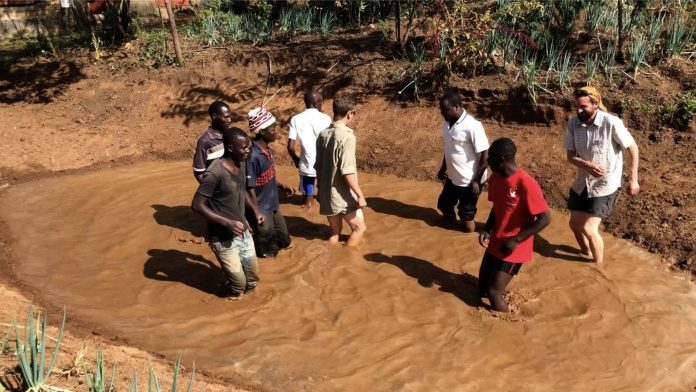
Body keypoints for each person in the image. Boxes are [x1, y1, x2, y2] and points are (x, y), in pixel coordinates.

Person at [563, 86, 640, 264]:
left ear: (596, 104)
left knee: (589, 229)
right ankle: (586, 253)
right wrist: (587, 165)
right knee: (574, 224)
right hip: (582, 181)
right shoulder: (573, 123)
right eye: (577, 106)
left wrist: (633, 179)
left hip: (605, 183)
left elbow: (633, 148)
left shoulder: (611, 122)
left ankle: (598, 268)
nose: (579, 110)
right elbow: (570, 156)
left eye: (583, 107)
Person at [478, 138, 551, 312]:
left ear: (502, 160)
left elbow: (545, 219)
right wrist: (487, 229)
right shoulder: (495, 178)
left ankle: (506, 327)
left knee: (494, 292)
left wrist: (516, 240)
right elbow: (497, 208)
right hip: (497, 241)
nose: (487, 162)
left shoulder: (526, 183)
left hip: (514, 246)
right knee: (481, 289)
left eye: (491, 158)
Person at [191, 128, 258, 299]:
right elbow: (197, 205)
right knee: (238, 285)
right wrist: (227, 222)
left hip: (242, 231)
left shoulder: (240, 163)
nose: (248, 151)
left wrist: (254, 211)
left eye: (248, 147)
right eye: (244, 148)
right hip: (222, 237)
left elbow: (240, 192)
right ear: (230, 148)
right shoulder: (214, 173)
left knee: (252, 282)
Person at [314, 94, 367, 246]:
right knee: (360, 228)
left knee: (334, 233)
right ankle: (348, 259)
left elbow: (318, 165)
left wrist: (319, 189)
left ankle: (333, 260)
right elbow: (347, 171)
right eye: (354, 113)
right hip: (341, 194)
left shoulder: (322, 134)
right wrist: (360, 195)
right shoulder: (348, 137)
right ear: (349, 114)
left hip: (326, 192)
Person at [437, 89, 490, 232]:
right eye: (441, 110)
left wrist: (477, 180)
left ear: (457, 107)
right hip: (453, 178)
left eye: (445, 110)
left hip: (470, 181)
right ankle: (450, 229)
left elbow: (485, 154)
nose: (442, 113)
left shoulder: (472, 126)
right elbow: (449, 149)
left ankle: (472, 235)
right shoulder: (447, 125)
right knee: (444, 205)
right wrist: (443, 169)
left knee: (467, 220)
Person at [246, 107, 294, 258]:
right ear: (261, 131)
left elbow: (267, 176)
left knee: (285, 241)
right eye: (272, 129)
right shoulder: (252, 156)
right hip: (261, 208)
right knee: (268, 252)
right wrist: (256, 212)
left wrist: (280, 185)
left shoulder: (267, 150)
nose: (276, 131)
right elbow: (249, 188)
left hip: (273, 204)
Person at [287, 90, 332, 210]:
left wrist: (296, 160)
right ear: (316, 103)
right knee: (324, 196)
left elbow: (290, 147)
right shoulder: (326, 119)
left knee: (307, 197)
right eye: (321, 101)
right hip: (324, 162)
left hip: (306, 161)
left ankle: (308, 203)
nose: (322, 104)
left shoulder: (296, 119)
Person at [192, 101, 232, 183]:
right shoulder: (204, 142)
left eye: (230, 117)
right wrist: (212, 191)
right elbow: (199, 172)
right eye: (226, 117)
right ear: (214, 116)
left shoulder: (230, 135)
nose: (230, 120)